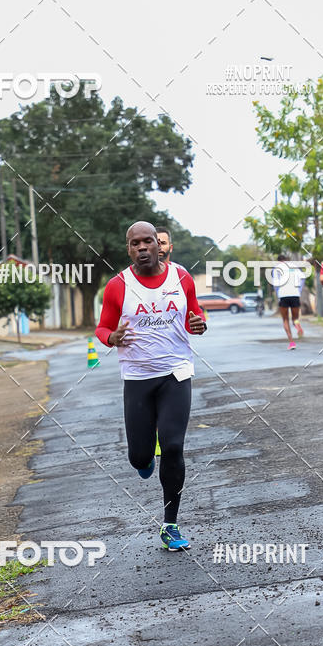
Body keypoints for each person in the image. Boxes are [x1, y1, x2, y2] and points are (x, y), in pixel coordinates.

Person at [95, 221, 207, 549]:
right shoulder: (117, 286)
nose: (142, 248)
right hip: (138, 378)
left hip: (176, 373)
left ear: (160, 246)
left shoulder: (181, 277)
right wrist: (111, 337)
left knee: (173, 446)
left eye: (148, 242)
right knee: (139, 456)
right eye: (135, 244)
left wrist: (200, 325)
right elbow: (102, 328)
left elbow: (194, 317)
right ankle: (144, 460)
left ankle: (170, 524)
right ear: (128, 249)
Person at [270, 254, 306, 350]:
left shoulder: (276, 268)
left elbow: (275, 285)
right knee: (295, 318)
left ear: (278, 261)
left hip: (283, 295)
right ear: (286, 260)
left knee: (285, 319)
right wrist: (299, 290)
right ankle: (297, 324)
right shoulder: (294, 266)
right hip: (295, 294)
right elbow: (303, 278)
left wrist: (278, 295)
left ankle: (291, 342)